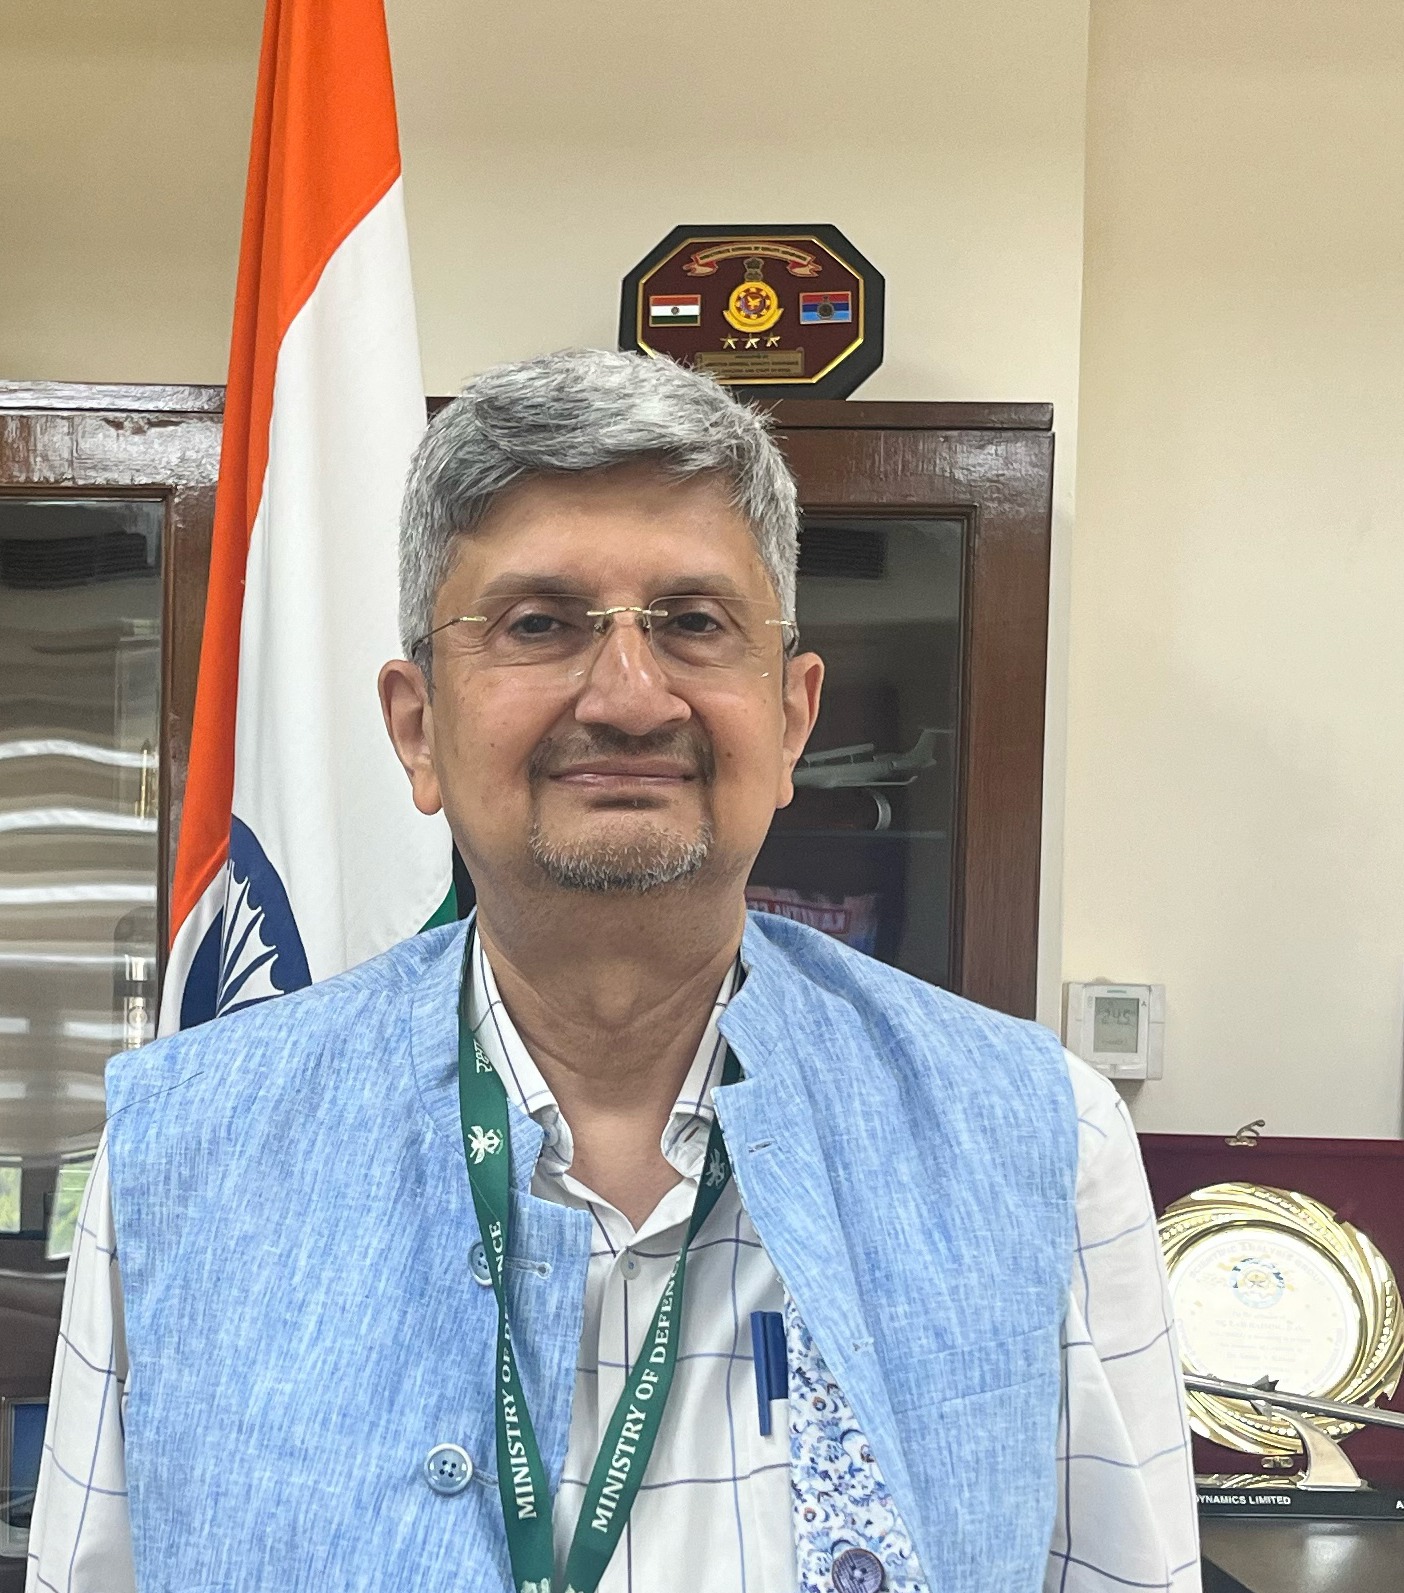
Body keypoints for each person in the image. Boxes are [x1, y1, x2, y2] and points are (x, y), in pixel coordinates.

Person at [29, 350, 1199, 1593]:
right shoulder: (183, 1151)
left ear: (792, 719)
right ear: (418, 728)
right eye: (539, 624)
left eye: (694, 623)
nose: (631, 698)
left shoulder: (1040, 1140)